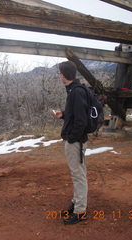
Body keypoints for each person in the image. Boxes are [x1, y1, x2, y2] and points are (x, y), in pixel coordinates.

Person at [52, 61, 89, 225]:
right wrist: (64, 114)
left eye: (60, 73)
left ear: (64, 75)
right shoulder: (74, 90)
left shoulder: (76, 92)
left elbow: (81, 120)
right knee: (78, 173)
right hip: (76, 140)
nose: (59, 75)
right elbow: (75, 113)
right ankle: (76, 203)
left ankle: (80, 211)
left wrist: (72, 137)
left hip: (76, 141)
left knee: (78, 175)